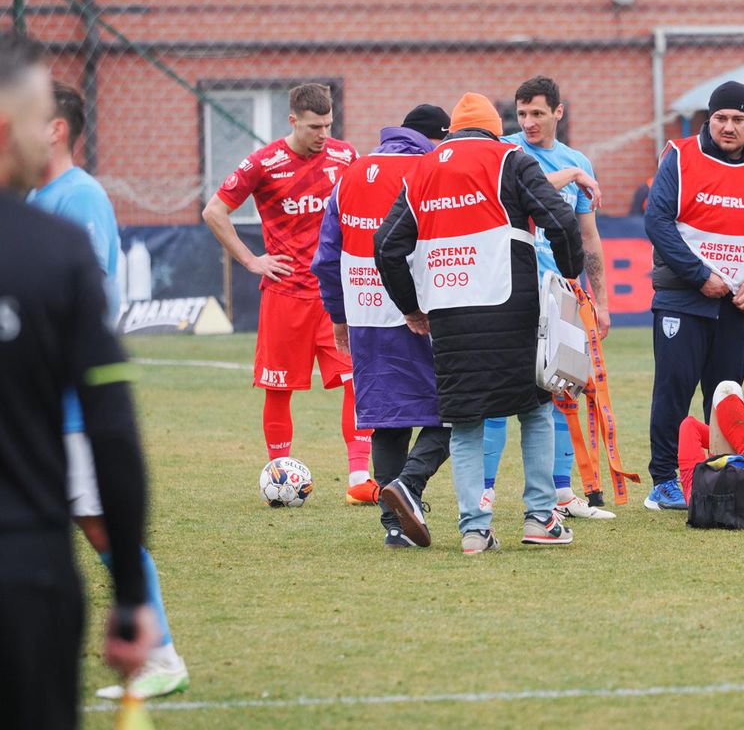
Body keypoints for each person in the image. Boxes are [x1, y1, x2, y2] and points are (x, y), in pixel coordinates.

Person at [0, 32, 156, 730]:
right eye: (42, 123)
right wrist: (128, 599)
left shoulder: (72, 215)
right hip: (25, 572)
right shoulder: (54, 253)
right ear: (9, 131)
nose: (52, 138)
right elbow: (114, 431)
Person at [27, 82, 188, 698]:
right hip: (35, 407)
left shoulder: (80, 196)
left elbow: (88, 300)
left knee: (98, 528)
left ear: (57, 129)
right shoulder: (36, 195)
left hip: (69, 406)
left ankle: (161, 654)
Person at [375, 93, 584, 554]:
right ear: (494, 129)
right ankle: (539, 518)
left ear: (453, 132)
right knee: (534, 409)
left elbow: (386, 246)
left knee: (465, 420)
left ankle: (474, 531)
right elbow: (561, 219)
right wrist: (569, 275)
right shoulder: (512, 158)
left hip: (449, 315)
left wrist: (411, 307)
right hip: (514, 307)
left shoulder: (424, 169)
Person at [202, 84, 374, 505]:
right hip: (285, 295)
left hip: (334, 295)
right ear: (293, 120)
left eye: (328, 125)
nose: (323, 134)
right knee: (278, 388)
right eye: (315, 126)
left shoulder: (345, 156)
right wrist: (251, 260)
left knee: (358, 380)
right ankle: (280, 475)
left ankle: (359, 478)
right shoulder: (264, 163)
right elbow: (214, 211)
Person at [642, 81, 744, 510]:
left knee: (726, 392)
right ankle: (664, 481)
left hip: (737, 303)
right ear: (709, 119)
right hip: (683, 297)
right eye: (721, 118)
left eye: (738, 119)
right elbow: (658, 221)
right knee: (673, 389)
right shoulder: (680, 156)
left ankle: (718, 473)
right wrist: (697, 275)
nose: (729, 126)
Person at [312, 105, 453, 549]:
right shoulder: (429, 169)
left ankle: (395, 528)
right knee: (458, 409)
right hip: (421, 314)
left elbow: (327, 255)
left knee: (389, 420)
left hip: (366, 316)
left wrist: (339, 316)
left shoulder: (351, 173)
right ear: (438, 138)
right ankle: (408, 486)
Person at [481, 75, 614, 520]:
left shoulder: (578, 161)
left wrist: (600, 299)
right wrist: (574, 176)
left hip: (561, 295)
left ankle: (561, 493)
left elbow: (589, 238)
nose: (528, 122)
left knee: (563, 391)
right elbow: (528, 188)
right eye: (521, 114)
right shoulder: (507, 152)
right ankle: (485, 492)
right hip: (512, 293)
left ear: (559, 112)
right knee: (499, 396)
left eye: (537, 113)